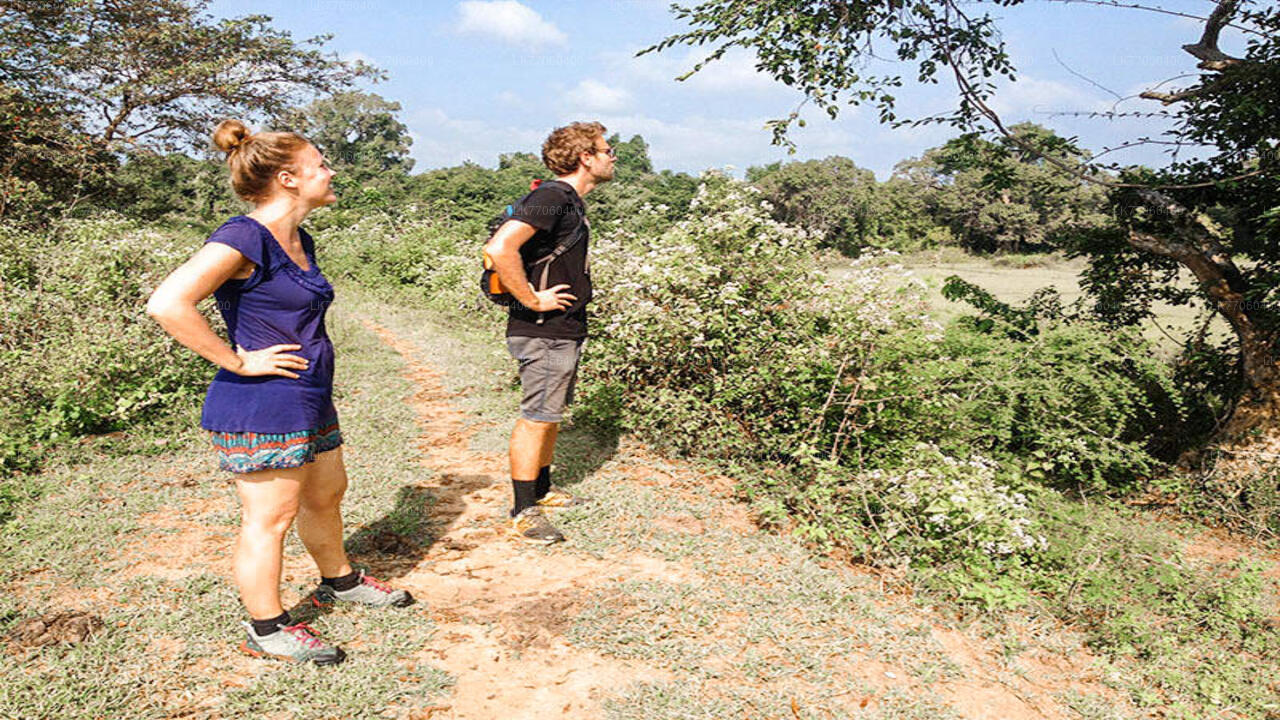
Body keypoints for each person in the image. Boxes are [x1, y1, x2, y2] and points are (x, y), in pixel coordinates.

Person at [146, 119, 411, 666]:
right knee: (270, 517)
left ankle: (338, 580)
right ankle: (267, 627)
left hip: (308, 396)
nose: (331, 171)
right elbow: (168, 303)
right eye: (321, 164)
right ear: (289, 178)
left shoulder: (299, 237)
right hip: (262, 404)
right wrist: (236, 360)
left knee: (326, 493)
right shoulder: (243, 237)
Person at [483, 121, 616, 544]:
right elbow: (500, 248)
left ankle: (541, 489)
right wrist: (534, 299)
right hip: (542, 328)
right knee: (537, 416)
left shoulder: (568, 202)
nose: (613, 157)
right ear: (585, 158)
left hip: (563, 327)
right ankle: (523, 512)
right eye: (607, 150)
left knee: (550, 412)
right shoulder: (551, 196)